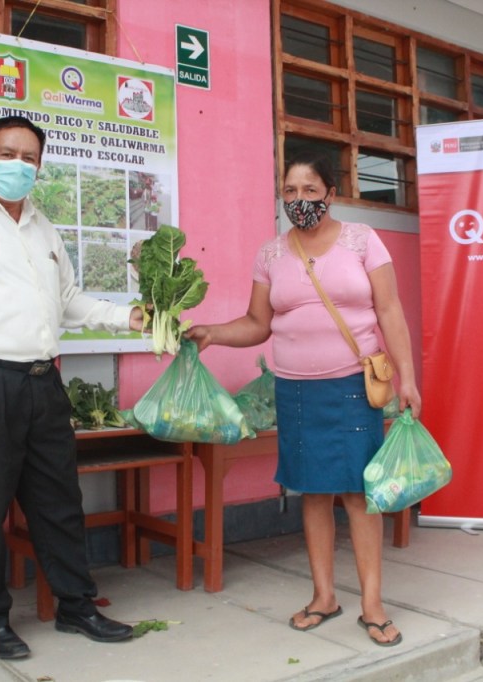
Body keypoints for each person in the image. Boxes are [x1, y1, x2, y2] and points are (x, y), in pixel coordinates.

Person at [0, 115, 143, 660]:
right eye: (7, 153)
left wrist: (127, 316)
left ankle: (76, 606)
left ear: (40, 166)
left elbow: (70, 301)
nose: (19, 164)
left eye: (30, 157)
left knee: (59, 501)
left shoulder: (43, 227)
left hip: (42, 382)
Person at [186, 152, 420, 647]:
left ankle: (373, 604)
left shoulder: (363, 241)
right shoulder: (271, 254)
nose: (299, 201)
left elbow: (390, 309)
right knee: (313, 492)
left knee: (359, 495)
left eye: (310, 191)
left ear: (330, 194)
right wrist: (212, 333)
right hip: (294, 391)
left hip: (354, 387)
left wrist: (407, 379)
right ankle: (323, 596)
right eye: (290, 192)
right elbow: (256, 323)